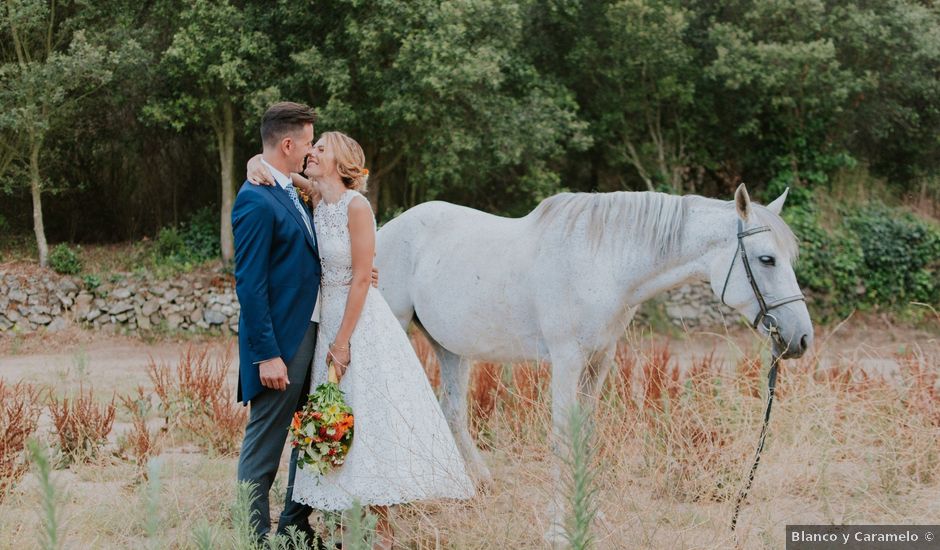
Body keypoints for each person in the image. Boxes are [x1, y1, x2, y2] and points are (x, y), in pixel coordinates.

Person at [247, 131, 474, 549]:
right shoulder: (315, 198)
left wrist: (343, 342)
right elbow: (273, 171)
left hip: (357, 325)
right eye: (310, 148)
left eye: (320, 148)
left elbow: (359, 280)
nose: (311, 153)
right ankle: (348, 529)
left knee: (369, 425)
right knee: (335, 422)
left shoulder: (357, 206)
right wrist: (253, 164)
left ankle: (380, 535)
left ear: (341, 161)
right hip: (325, 324)